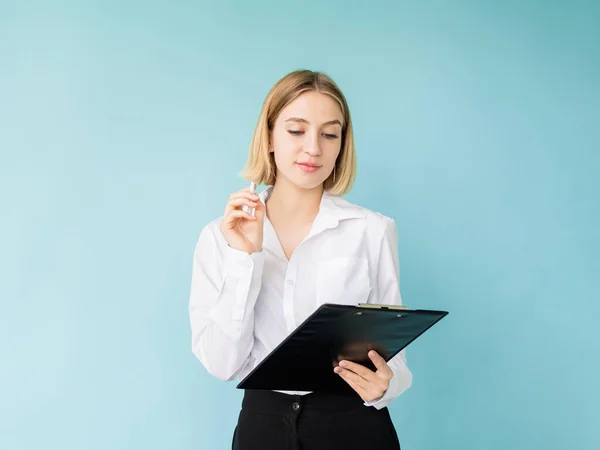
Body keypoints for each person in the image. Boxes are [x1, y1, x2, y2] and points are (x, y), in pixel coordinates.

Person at [188, 69, 412, 450]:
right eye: (296, 130)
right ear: (270, 136)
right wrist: (246, 257)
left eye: (329, 134)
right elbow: (222, 365)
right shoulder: (218, 237)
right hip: (262, 426)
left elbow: (396, 360)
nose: (314, 148)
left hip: (353, 424)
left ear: (342, 144)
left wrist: (386, 385)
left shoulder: (372, 230)